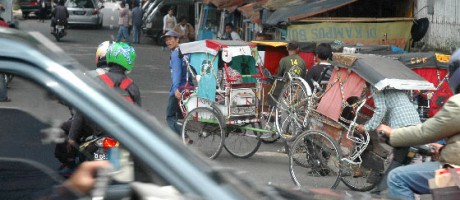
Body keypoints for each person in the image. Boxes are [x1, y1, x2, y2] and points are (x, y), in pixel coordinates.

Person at [376, 49, 460, 200]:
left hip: (457, 175)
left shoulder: (457, 103)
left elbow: (425, 132)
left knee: (397, 178)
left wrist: (392, 133)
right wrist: (444, 150)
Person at [356, 87, 421, 194]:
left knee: (394, 161)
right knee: (413, 161)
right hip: (415, 122)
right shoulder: (394, 83)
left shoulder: (376, 86)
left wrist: (366, 127)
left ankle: (386, 191)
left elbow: (381, 109)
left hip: (401, 125)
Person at [163, 30, 193, 139]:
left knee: (170, 117)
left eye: (171, 39)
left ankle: (185, 137)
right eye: (166, 40)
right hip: (189, 87)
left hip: (178, 90)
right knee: (180, 115)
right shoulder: (186, 52)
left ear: (177, 40)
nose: (168, 42)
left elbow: (177, 72)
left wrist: (176, 89)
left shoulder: (176, 53)